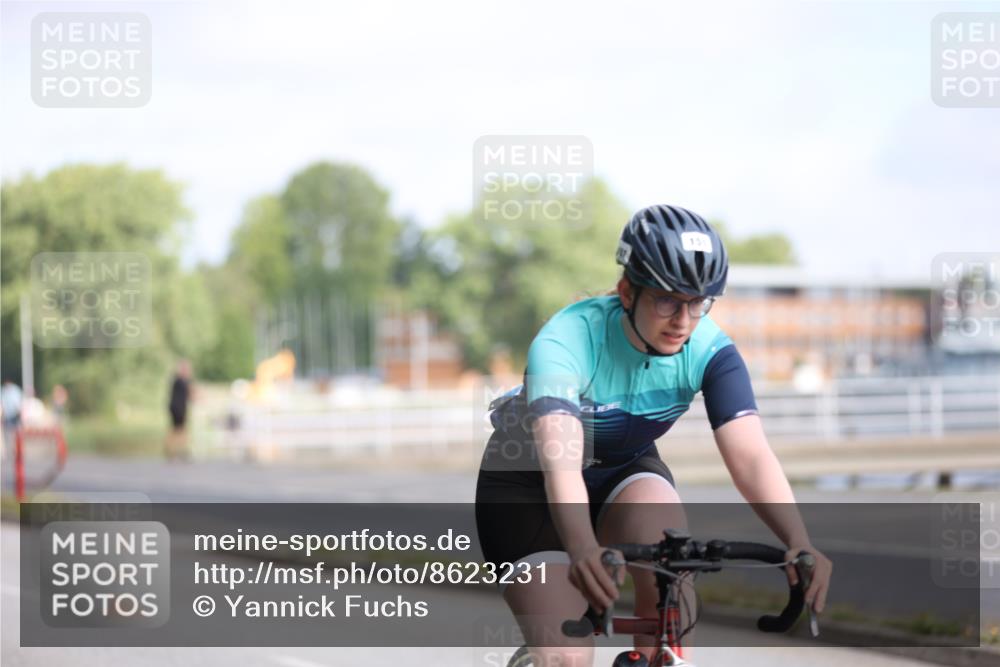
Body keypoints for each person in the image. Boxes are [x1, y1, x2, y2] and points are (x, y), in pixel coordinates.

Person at [475, 204, 833, 666]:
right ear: (628, 291)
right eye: (667, 299)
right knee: (567, 656)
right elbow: (561, 462)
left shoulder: (709, 349)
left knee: (673, 579)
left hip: (624, 472)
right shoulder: (565, 341)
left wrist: (798, 539)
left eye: (698, 302)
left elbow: (751, 455)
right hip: (529, 489)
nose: (683, 320)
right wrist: (582, 547)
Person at [165, 360, 194, 461]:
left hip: (176, 407)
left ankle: (174, 452)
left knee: (176, 429)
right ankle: (180, 451)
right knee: (180, 430)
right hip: (179, 408)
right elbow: (191, 393)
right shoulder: (181, 380)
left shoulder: (177, 380)